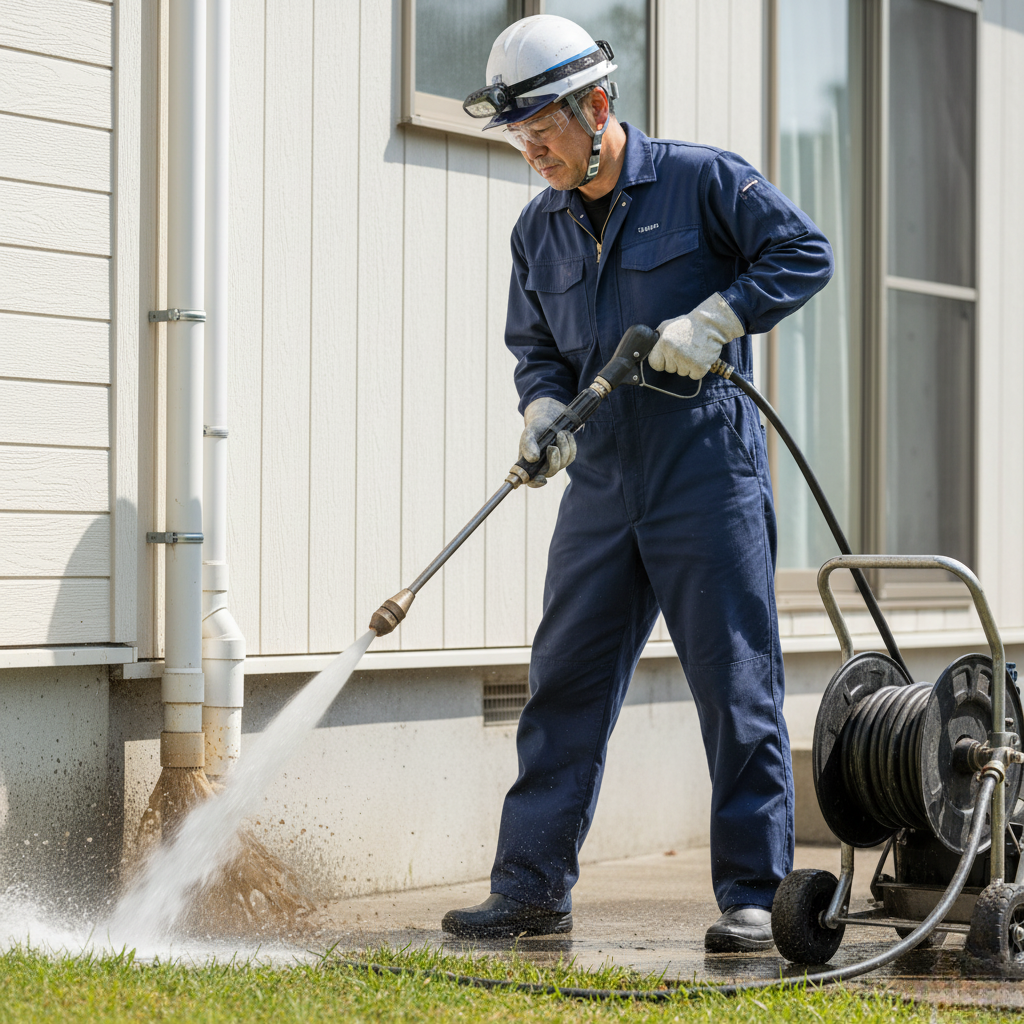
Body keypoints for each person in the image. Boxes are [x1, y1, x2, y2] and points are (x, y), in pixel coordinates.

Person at [444, 14, 833, 952]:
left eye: (544, 129)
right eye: (519, 136)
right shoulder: (537, 229)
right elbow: (537, 348)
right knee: (563, 685)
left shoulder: (702, 181)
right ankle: (530, 890)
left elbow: (804, 253)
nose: (533, 151)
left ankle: (755, 895)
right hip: (602, 482)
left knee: (734, 687)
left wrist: (718, 318)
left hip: (705, 470)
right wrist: (543, 412)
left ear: (597, 105)